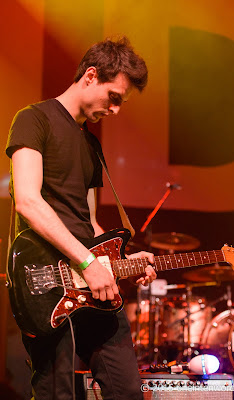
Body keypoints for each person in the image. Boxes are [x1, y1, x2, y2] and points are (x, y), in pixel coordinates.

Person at [6, 37, 157, 400]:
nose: (116, 109)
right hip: (47, 282)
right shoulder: (33, 119)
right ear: (91, 75)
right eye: (114, 97)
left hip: (95, 284)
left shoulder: (91, 144)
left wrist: (118, 260)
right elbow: (27, 200)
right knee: (56, 392)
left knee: (127, 391)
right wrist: (88, 261)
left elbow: (88, 221)